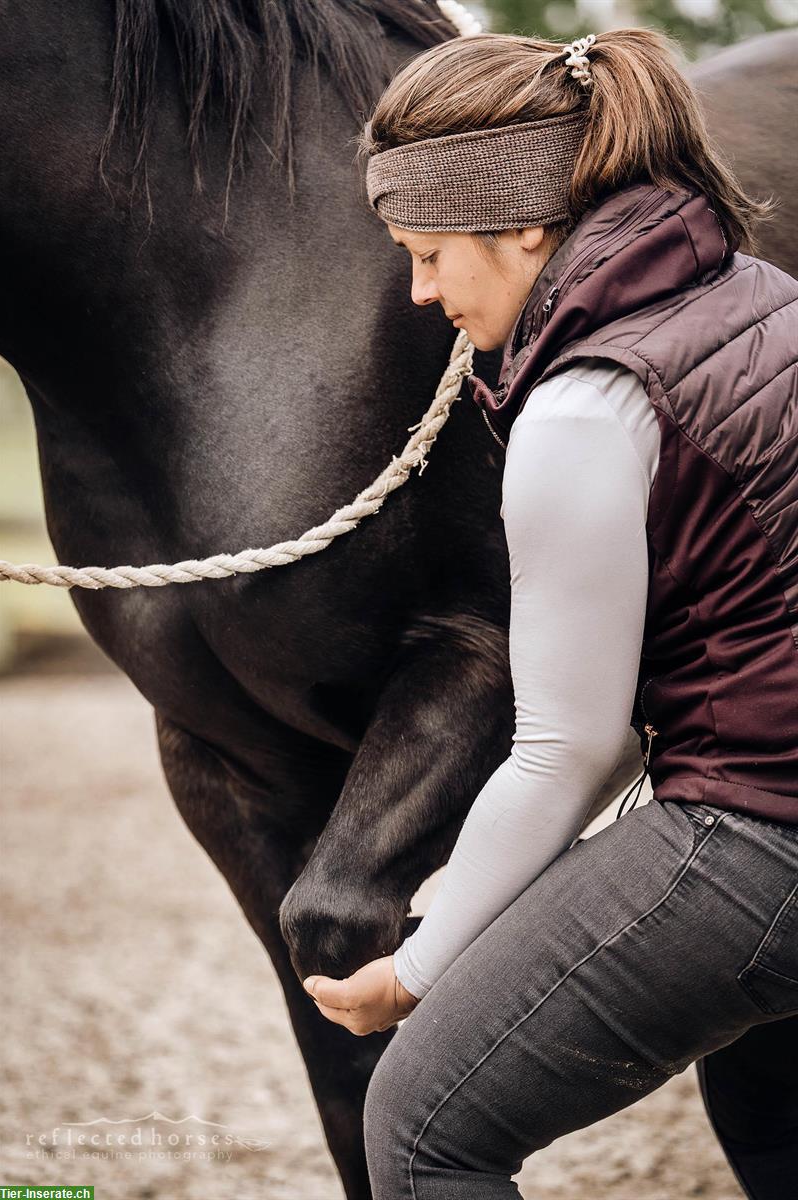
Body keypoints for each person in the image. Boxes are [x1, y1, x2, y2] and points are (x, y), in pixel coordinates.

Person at [300, 27, 798, 1200]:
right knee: (769, 1112)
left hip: (762, 831)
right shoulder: (755, 293)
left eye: (426, 253)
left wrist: (418, 968)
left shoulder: (583, 405)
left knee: (421, 1133)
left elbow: (568, 750)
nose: (419, 292)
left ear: (523, 223)